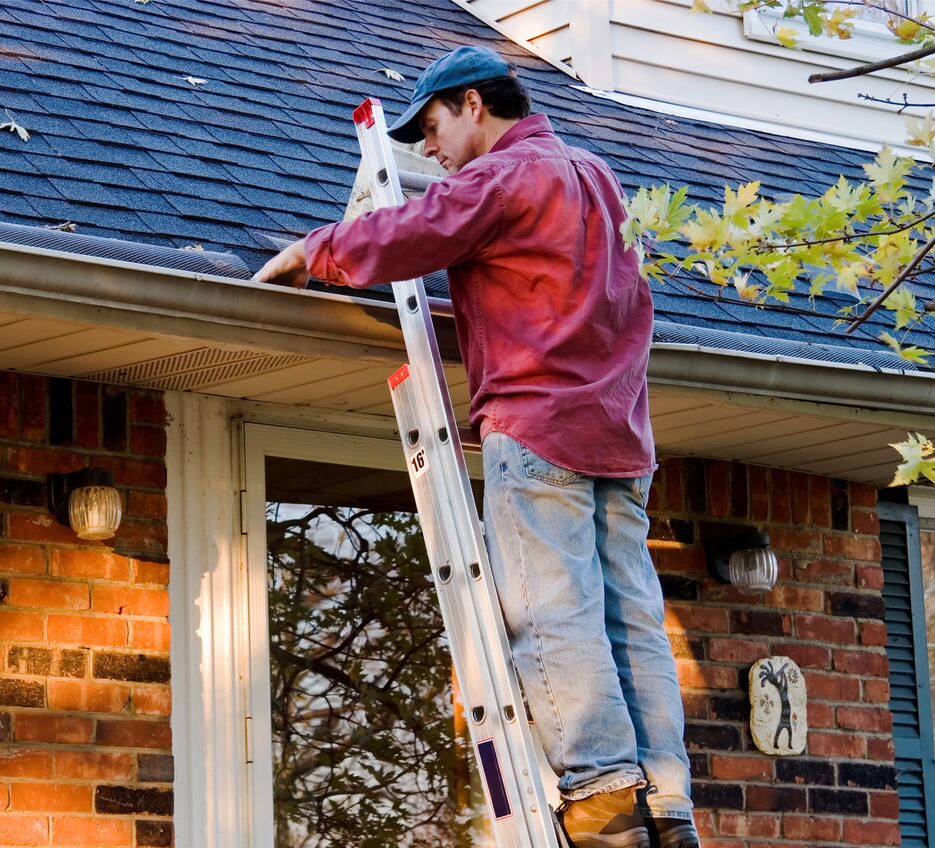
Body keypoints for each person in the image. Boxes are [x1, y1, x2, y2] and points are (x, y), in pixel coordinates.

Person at [253, 45, 697, 848]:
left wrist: (313, 249)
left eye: (430, 127)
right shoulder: (596, 175)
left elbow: (419, 229)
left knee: (553, 613)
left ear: (471, 105)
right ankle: (664, 802)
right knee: (632, 617)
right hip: (621, 437)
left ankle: (602, 799)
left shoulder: (506, 176)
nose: (427, 151)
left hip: (539, 429)